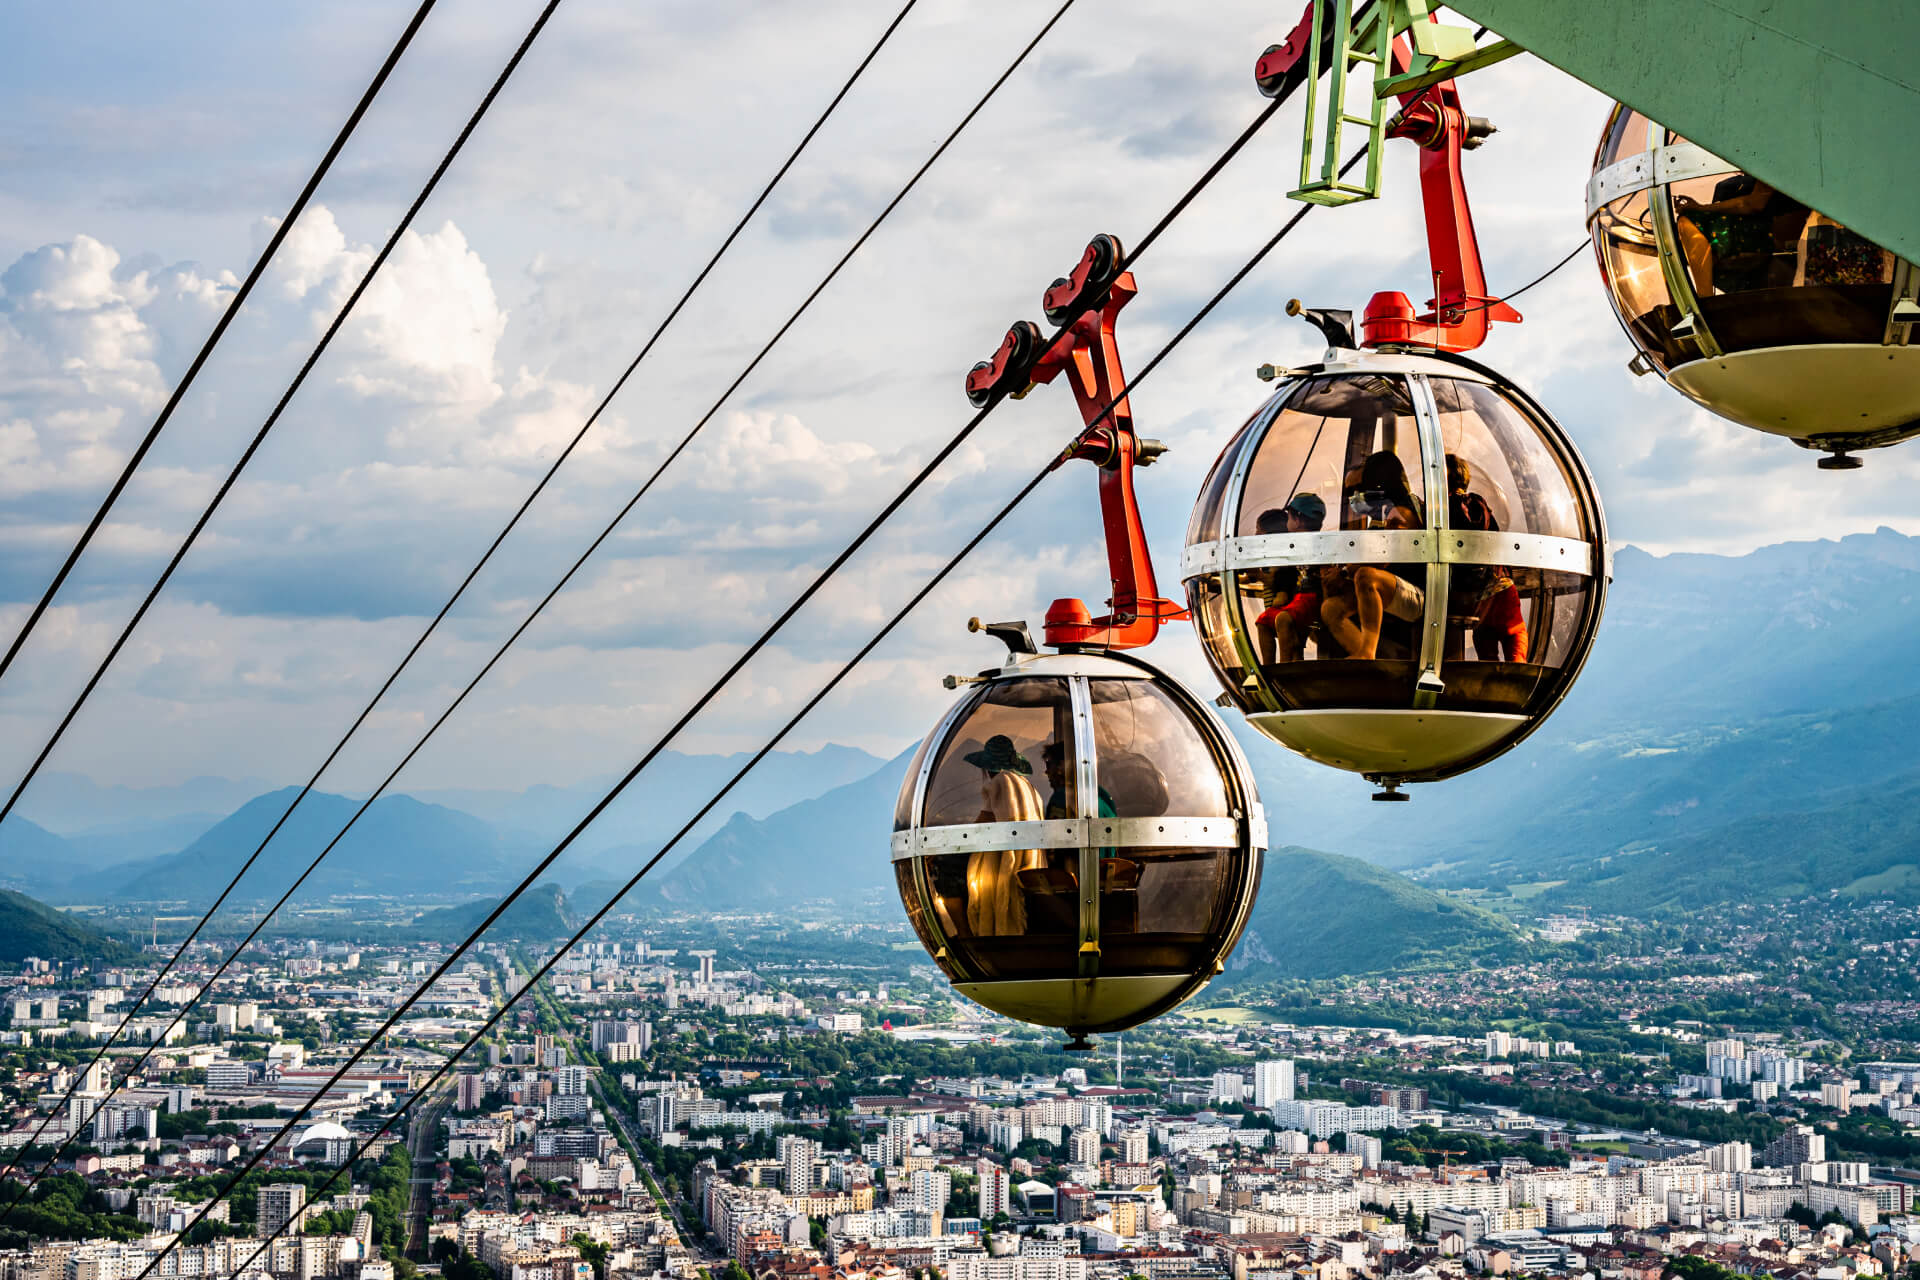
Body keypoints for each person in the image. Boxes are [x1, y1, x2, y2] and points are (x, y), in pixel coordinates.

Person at [1320, 452, 1424, 660]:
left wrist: (1343, 572)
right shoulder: (1387, 513)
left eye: (1360, 488)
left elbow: (1382, 557)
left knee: (1366, 576)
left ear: (1380, 484)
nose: (1356, 496)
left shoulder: (1403, 512)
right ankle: (1369, 660)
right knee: (1331, 609)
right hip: (1392, 589)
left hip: (1419, 594)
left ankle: (1367, 652)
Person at [1444, 454, 1527, 662]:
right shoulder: (1479, 506)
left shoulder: (1443, 510)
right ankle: (1516, 678)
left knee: (1486, 653)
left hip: (1474, 600)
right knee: (1515, 644)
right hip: (1501, 587)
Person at [961, 734, 1046, 936]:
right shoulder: (1029, 787)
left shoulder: (998, 783)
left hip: (1004, 864)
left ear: (987, 767)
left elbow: (984, 822)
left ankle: (965, 933)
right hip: (1031, 861)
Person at [1248, 493, 1327, 664]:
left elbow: (1286, 577)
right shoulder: (1293, 547)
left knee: (1284, 620)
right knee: (1264, 621)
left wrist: (1279, 590)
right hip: (1298, 599)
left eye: (1289, 517)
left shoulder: (1309, 545)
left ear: (1297, 521)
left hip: (1309, 597)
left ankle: (1285, 665)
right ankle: (1270, 666)